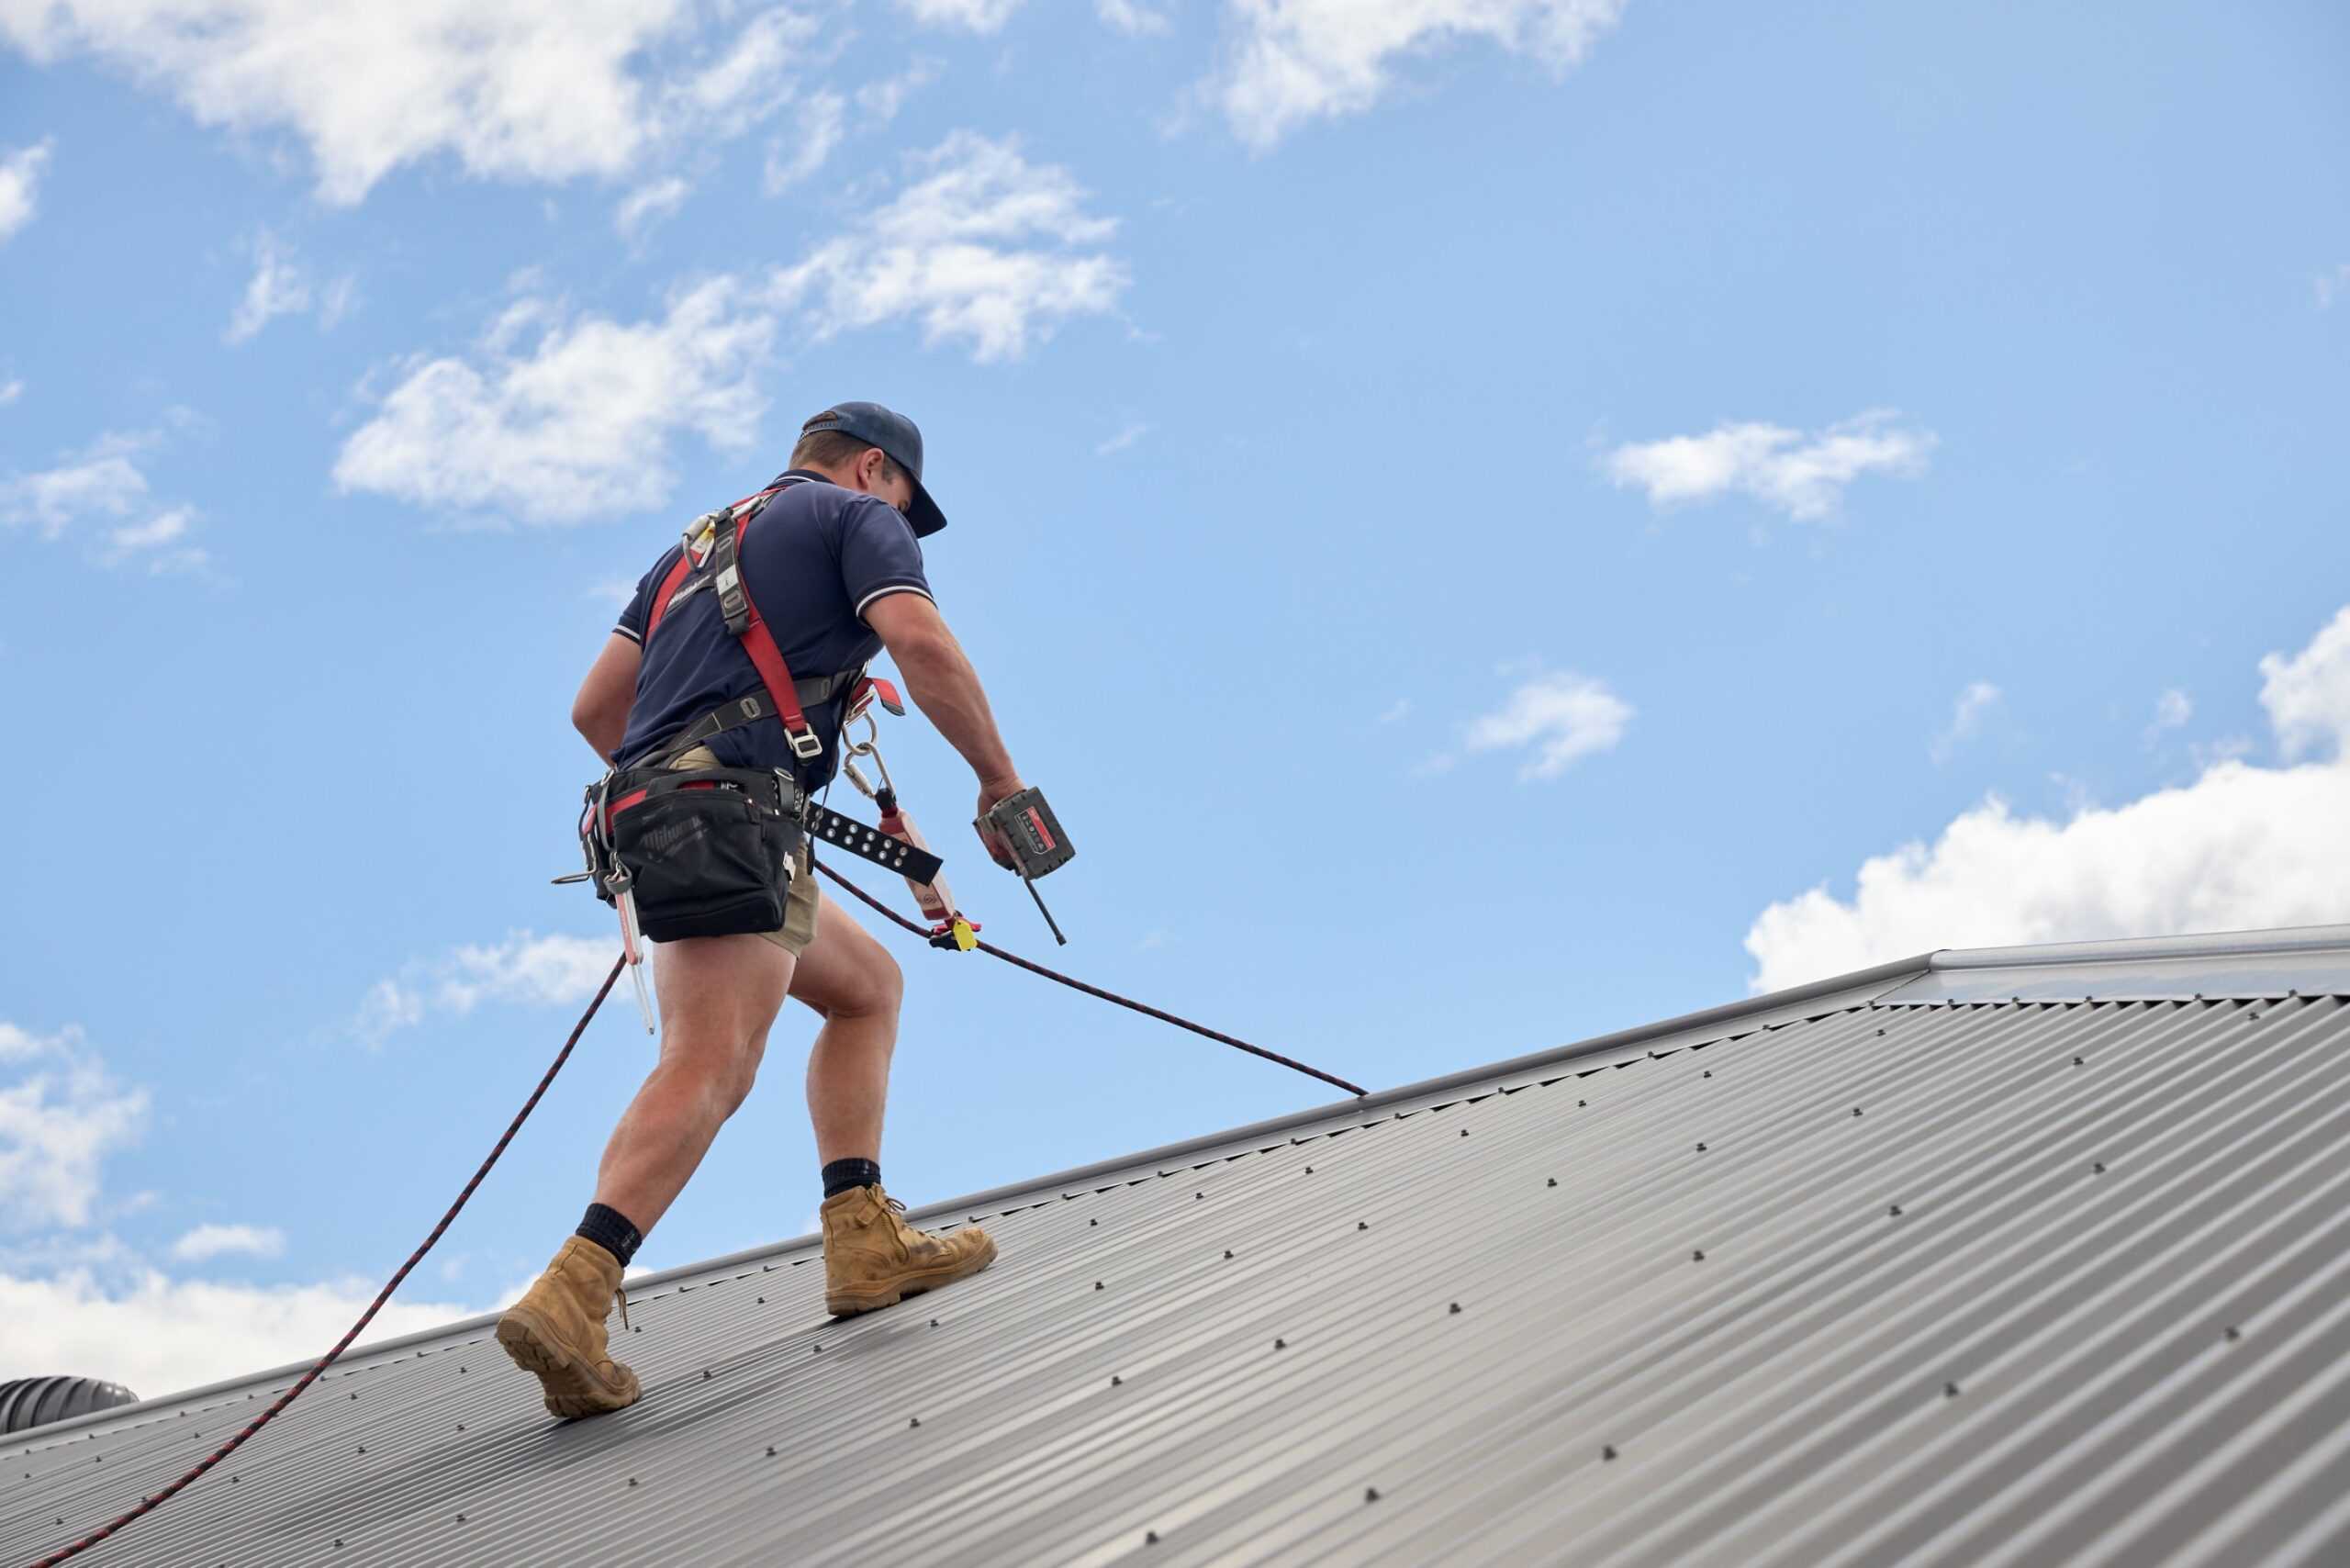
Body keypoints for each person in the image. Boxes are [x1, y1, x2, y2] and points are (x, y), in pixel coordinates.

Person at [497, 402, 1027, 1419]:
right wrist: (998, 781)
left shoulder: (691, 551)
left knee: (866, 988)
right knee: (712, 1061)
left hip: (670, 815)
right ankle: (573, 1292)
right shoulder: (854, 518)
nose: (902, 523)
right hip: (730, 817)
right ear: (872, 469)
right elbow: (919, 640)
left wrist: (718, 768)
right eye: (904, 502)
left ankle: (863, 1236)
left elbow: (597, 709)